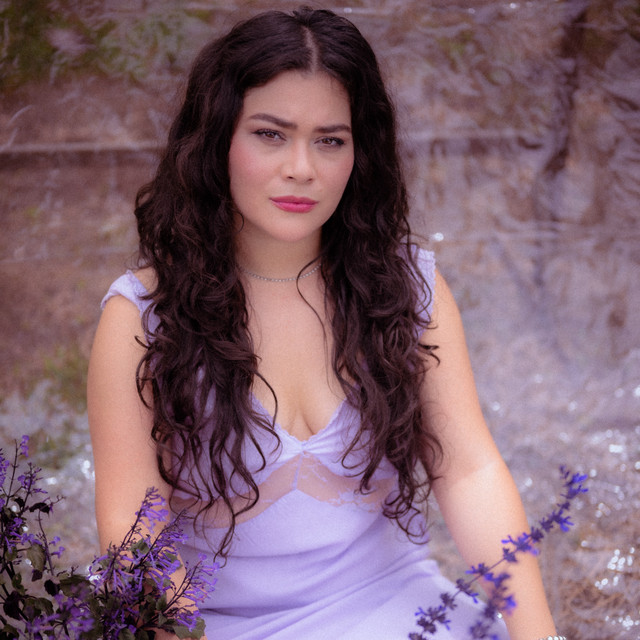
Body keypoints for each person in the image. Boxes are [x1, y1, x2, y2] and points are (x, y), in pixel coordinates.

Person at [88, 7, 563, 640]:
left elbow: (468, 470)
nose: (302, 168)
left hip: (400, 610)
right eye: (270, 134)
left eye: (330, 140)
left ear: (359, 153)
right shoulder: (143, 320)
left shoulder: (407, 288)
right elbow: (132, 534)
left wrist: (539, 635)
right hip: (220, 628)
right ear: (215, 138)